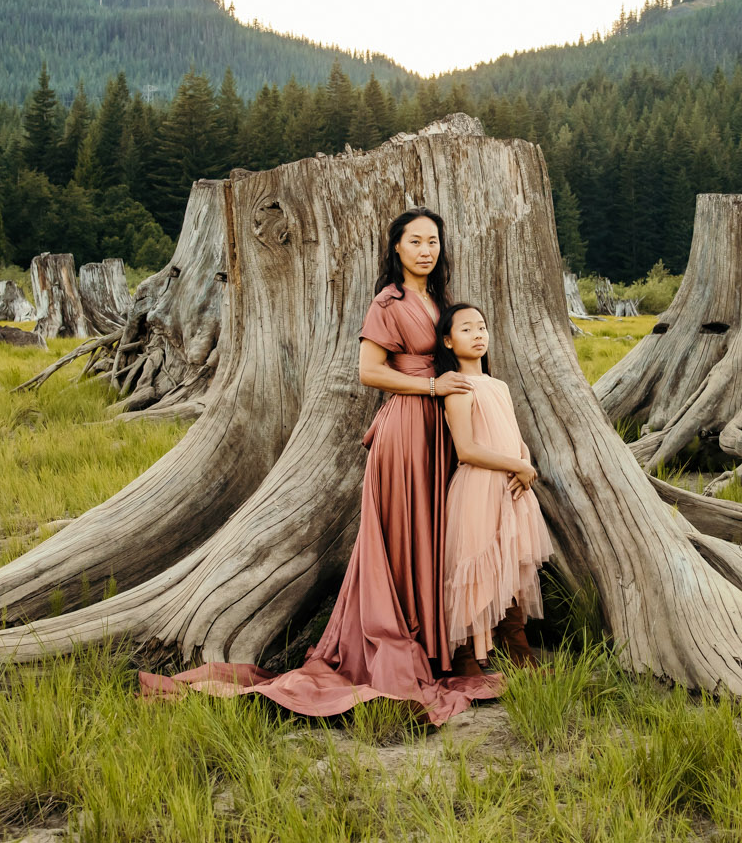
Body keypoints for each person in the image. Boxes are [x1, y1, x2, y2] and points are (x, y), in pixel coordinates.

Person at [153, 208, 502, 723]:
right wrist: (430, 386)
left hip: (439, 430)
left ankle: (435, 643)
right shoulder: (390, 301)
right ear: (397, 249)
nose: (427, 250)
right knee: (403, 534)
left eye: (434, 242)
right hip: (406, 428)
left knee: (434, 533)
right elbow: (368, 371)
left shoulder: (439, 301)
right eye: (416, 242)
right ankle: (400, 638)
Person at [434, 303, 548, 667]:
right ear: (448, 342)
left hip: (511, 486)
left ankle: (517, 650)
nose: (478, 334)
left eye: (481, 326)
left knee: (511, 564)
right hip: (478, 489)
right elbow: (466, 450)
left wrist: (523, 460)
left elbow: (512, 435)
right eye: (466, 329)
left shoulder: (498, 385)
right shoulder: (458, 387)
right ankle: (468, 654)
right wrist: (517, 464)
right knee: (476, 566)